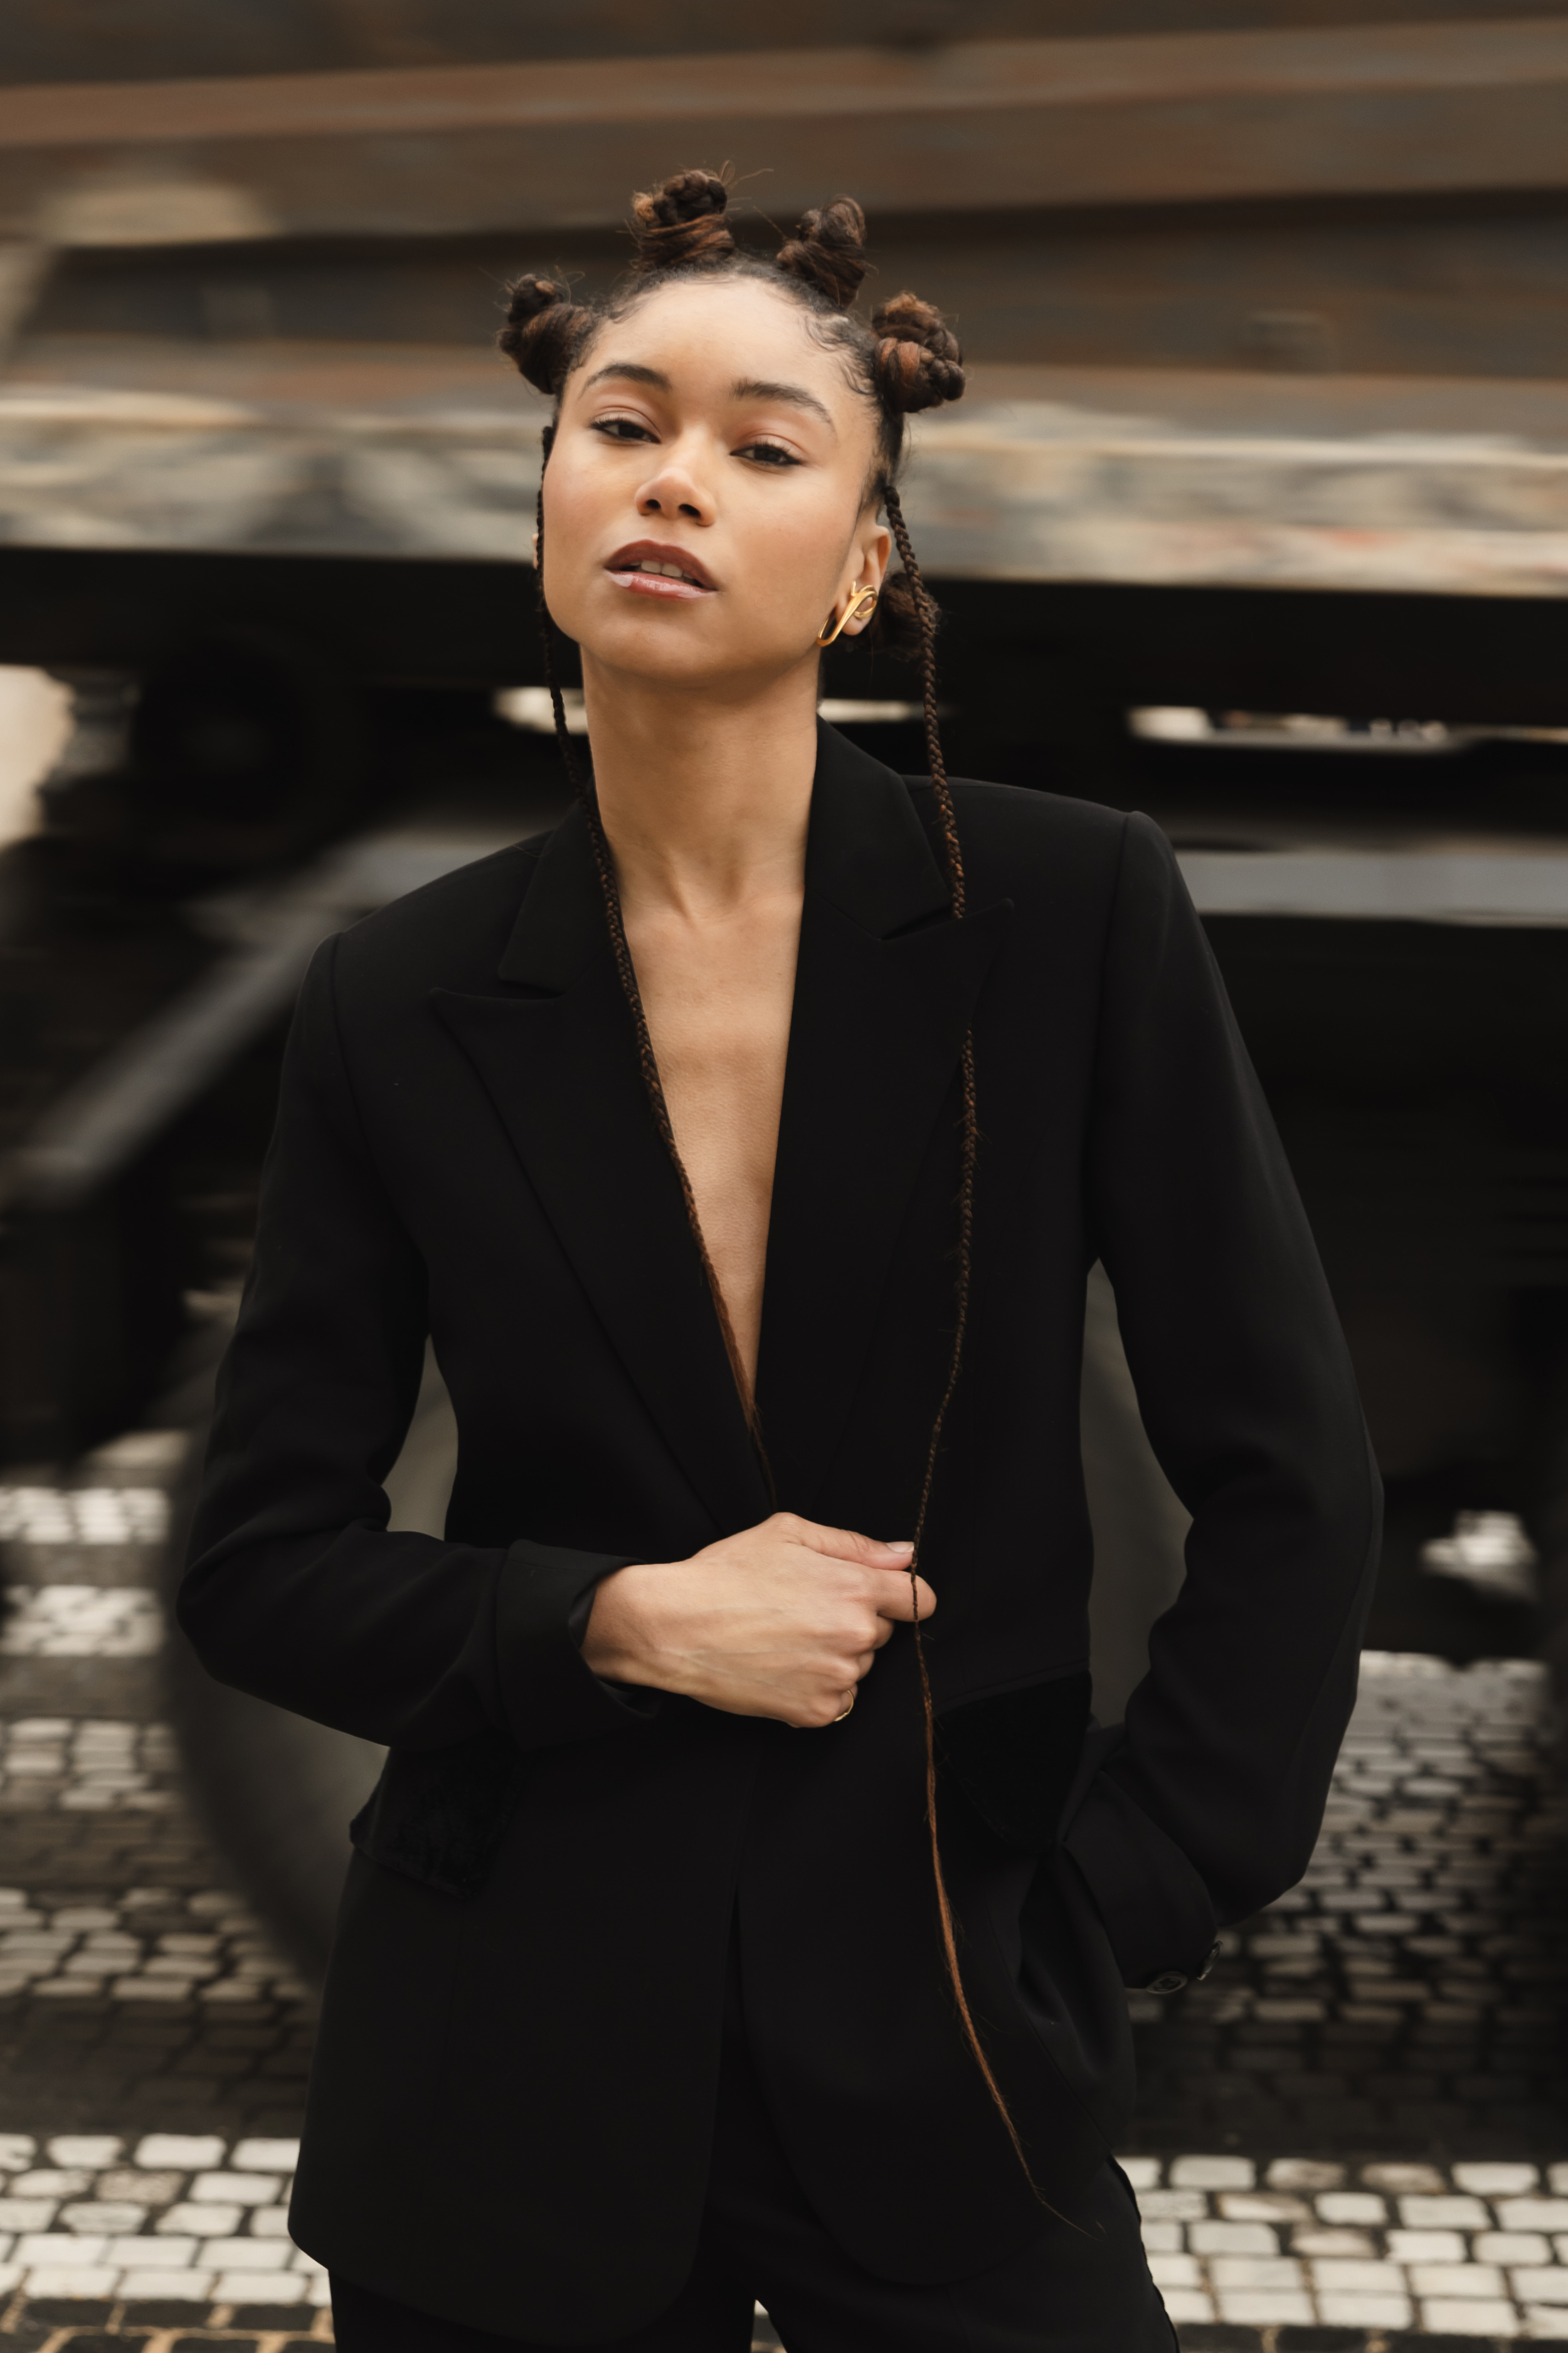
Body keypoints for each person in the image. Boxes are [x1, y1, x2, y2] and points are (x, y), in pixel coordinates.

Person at [180, 168, 1381, 2352]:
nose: (670, 481)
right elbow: (260, 1557)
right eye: (618, 424)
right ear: (544, 504)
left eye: (761, 446)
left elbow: (1290, 1475)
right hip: (501, 2067)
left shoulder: (1070, 913)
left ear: (862, 572)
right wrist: (619, 1618)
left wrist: (1105, 1906)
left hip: (948, 2028)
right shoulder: (393, 991)